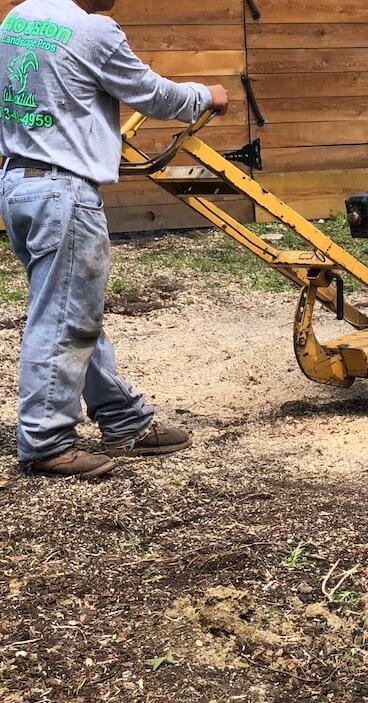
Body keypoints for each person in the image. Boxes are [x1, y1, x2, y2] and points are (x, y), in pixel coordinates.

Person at [0, 0, 229, 479]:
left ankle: (123, 419)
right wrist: (206, 95)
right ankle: (45, 441)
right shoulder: (95, 30)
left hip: (20, 183)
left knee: (71, 308)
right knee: (64, 317)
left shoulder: (19, 18)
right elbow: (155, 96)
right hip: (64, 190)